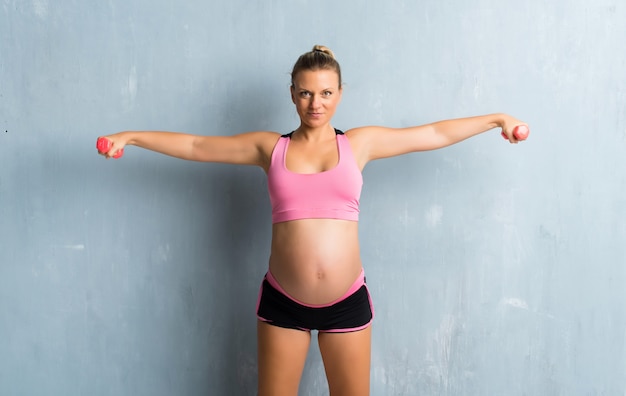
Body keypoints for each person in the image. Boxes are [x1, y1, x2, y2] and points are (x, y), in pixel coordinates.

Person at [97, 45, 528, 396]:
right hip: (284, 301)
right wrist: (131, 137)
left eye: (325, 93)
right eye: (305, 93)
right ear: (291, 94)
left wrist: (495, 119)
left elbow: (432, 134)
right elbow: (195, 145)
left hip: (346, 300)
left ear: (340, 93)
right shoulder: (271, 149)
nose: (315, 103)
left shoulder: (360, 144)